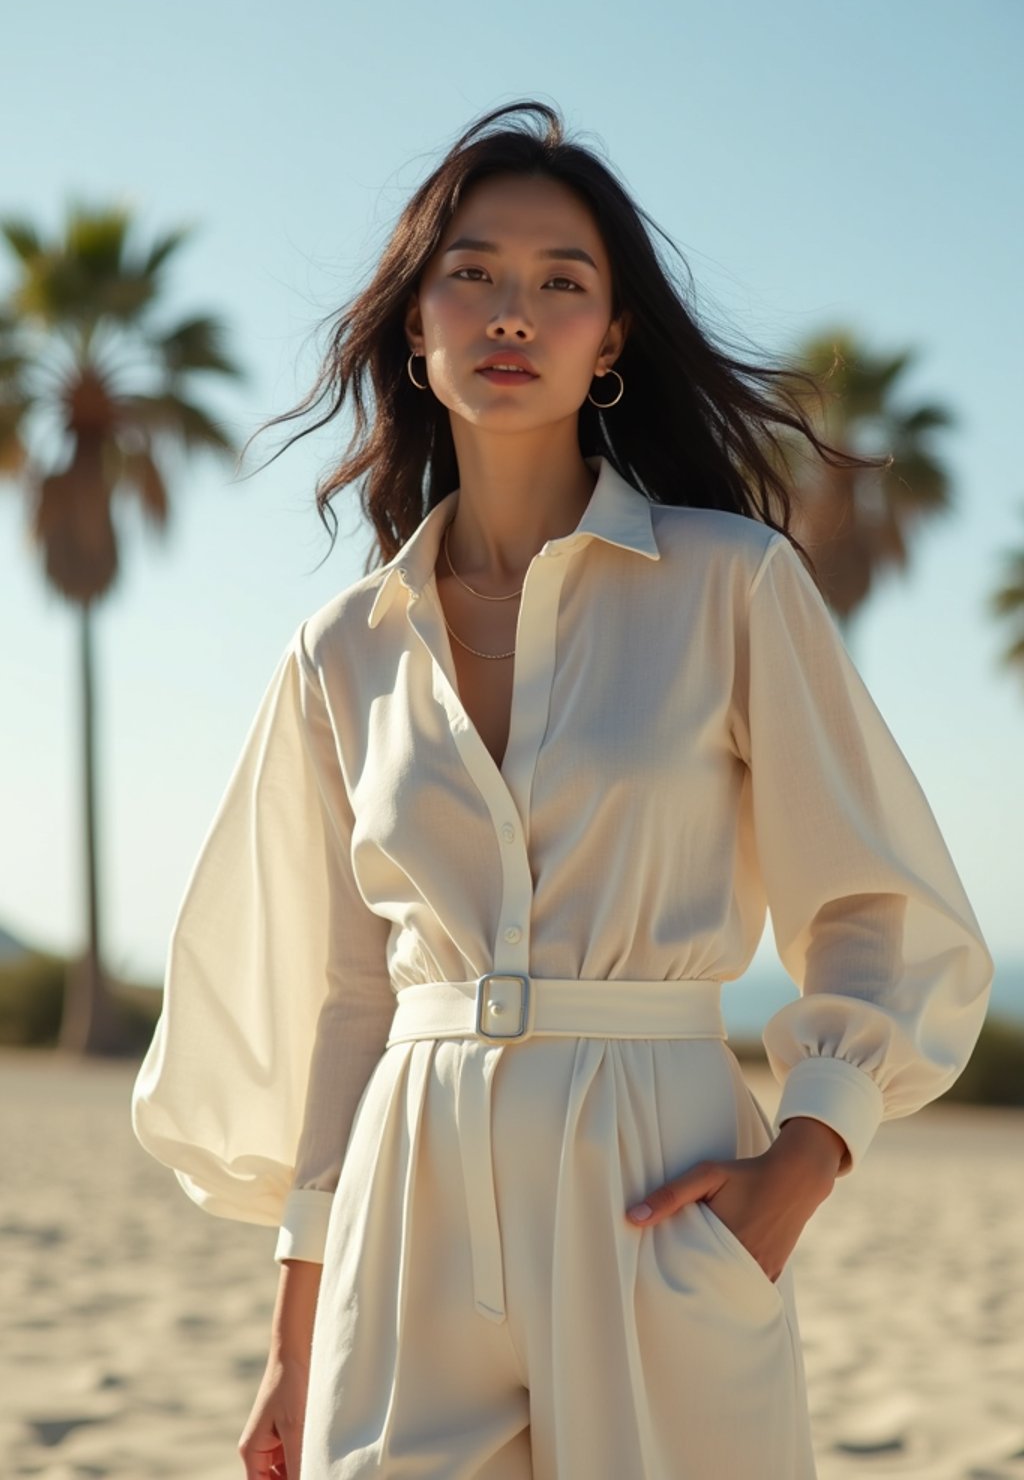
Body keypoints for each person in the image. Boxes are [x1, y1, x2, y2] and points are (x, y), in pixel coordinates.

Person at [131, 100, 994, 1480]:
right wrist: (294, 1338)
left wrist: (803, 1163)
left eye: (562, 281)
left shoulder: (731, 585)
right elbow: (351, 999)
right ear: (416, 327)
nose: (512, 310)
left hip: (657, 1190)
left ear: (611, 341)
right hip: (408, 1204)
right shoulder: (342, 650)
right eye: (470, 272)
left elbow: (877, 903)